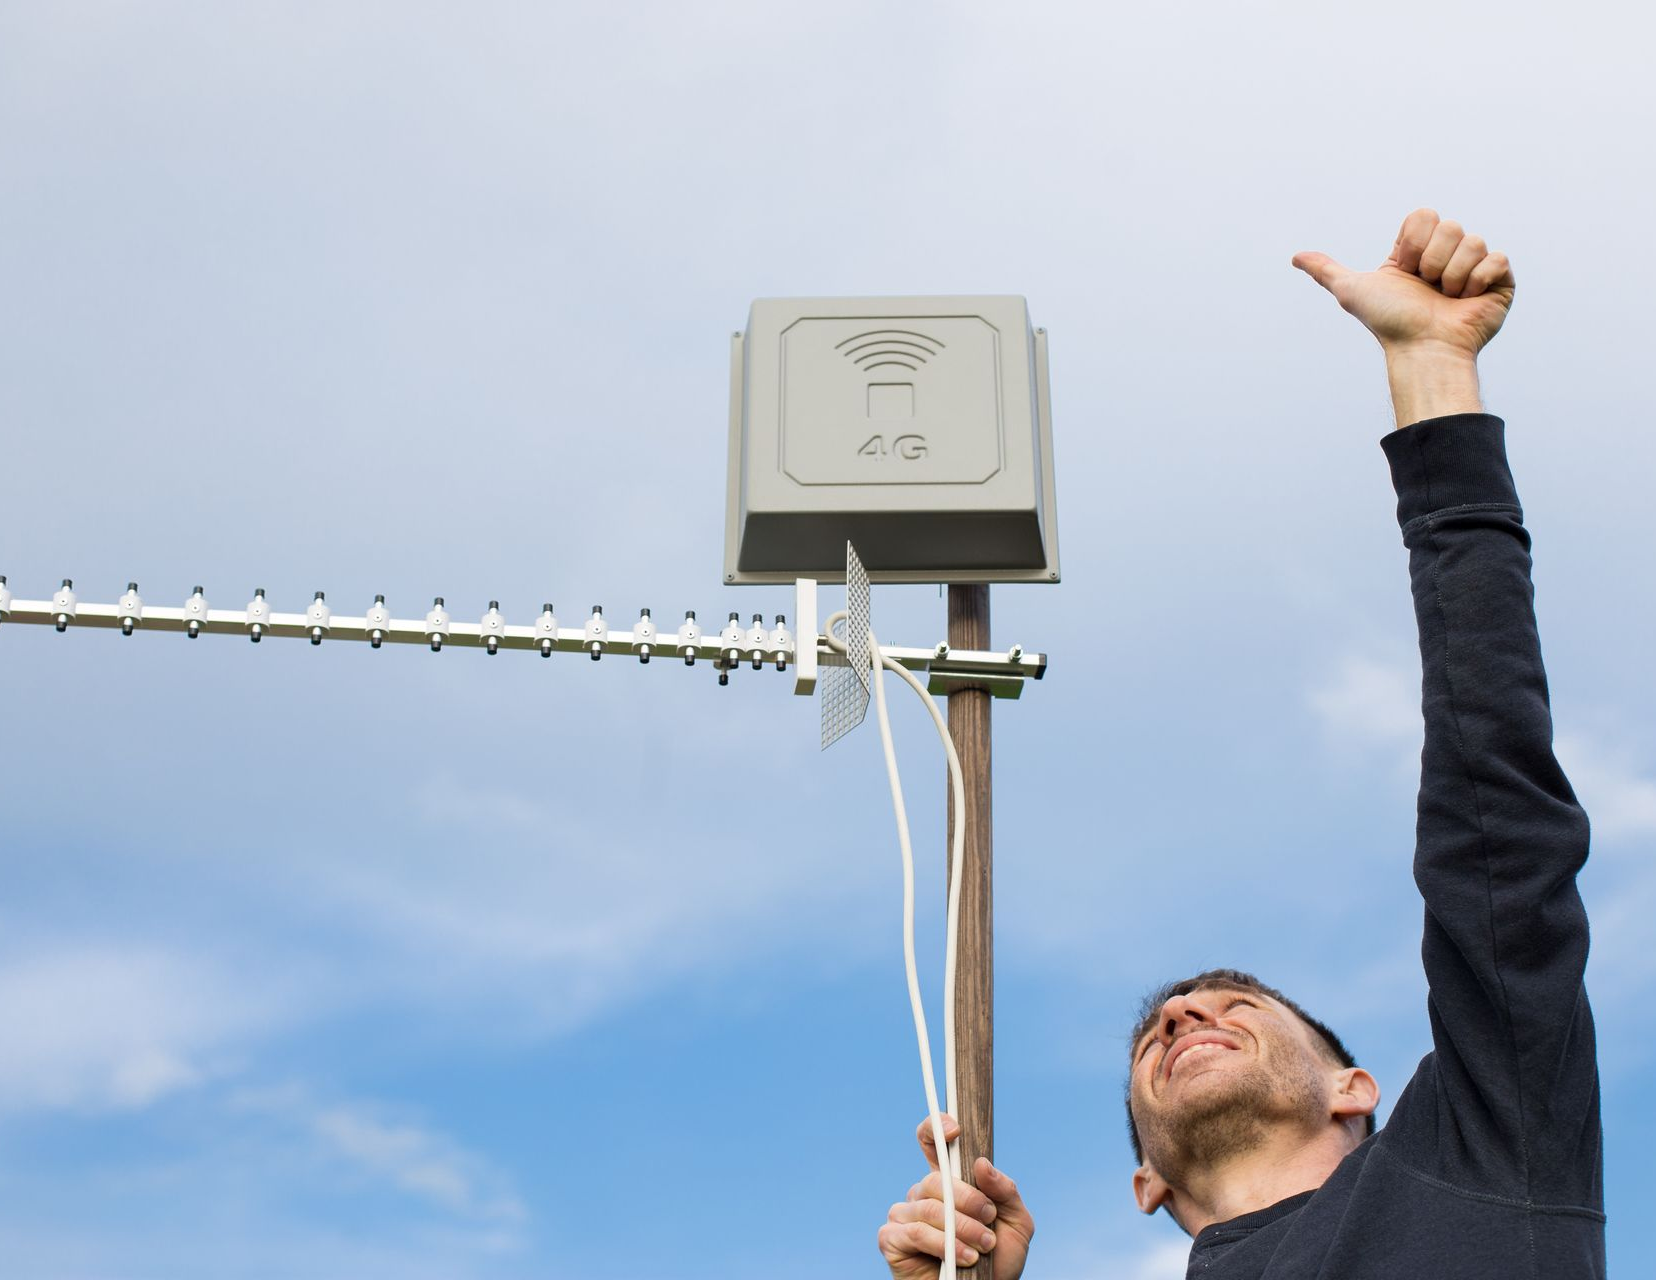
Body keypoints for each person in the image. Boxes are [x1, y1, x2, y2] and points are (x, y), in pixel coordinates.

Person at [876, 209, 1605, 1278]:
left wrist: (1433, 372)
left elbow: (1496, 813)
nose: (1181, 1013)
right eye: (1164, 1030)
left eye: (1233, 1007)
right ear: (1145, 1183)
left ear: (1357, 1087)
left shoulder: (1484, 1154)